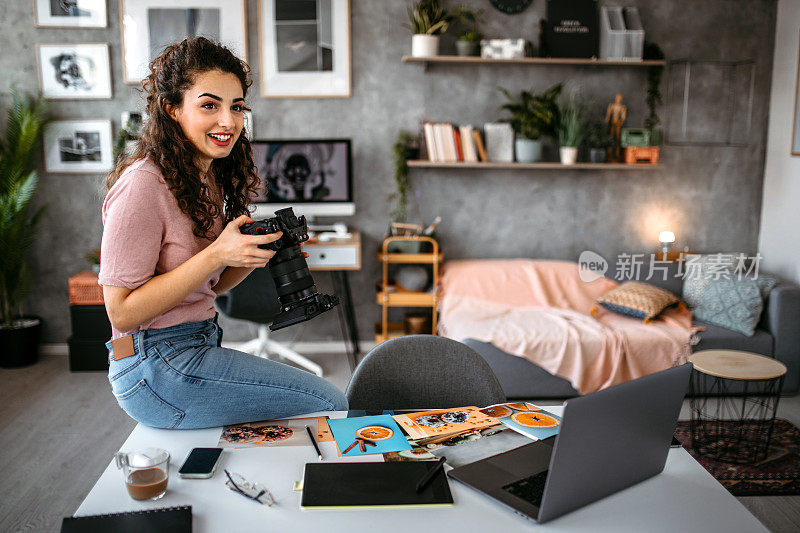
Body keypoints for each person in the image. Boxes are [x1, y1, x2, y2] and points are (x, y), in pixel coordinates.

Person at [99, 37, 348, 430]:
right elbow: (122, 312)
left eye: (236, 107)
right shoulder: (142, 186)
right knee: (329, 399)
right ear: (173, 109)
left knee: (318, 401)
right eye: (209, 105)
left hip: (195, 344)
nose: (228, 122)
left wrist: (253, 252)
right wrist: (216, 254)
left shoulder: (204, 179)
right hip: (153, 366)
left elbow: (209, 288)